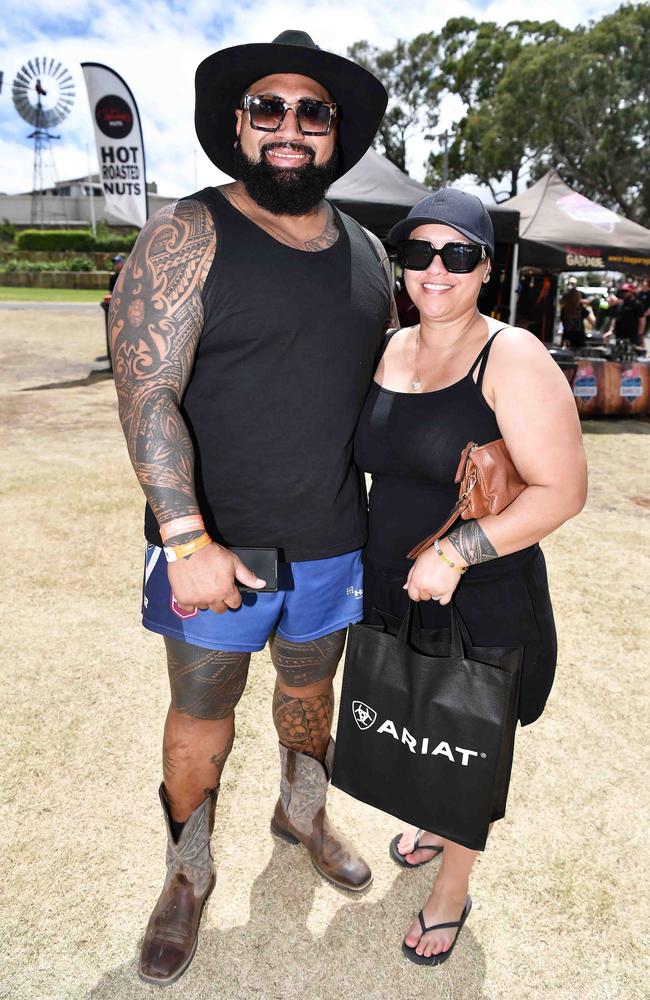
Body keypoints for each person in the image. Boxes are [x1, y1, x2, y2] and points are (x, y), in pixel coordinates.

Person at [109, 30, 393, 986]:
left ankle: (302, 809)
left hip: (331, 542)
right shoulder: (187, 234)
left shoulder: (369, 255)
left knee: (311, 695)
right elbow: (145, 390)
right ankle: (187, 872)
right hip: (215, 549)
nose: (288, 128)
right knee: (202, 710)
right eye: (267, 109)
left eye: (311, 114)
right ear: (237, 126)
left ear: (333, 133)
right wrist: (185, 536)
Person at [354, 188, 588, 967]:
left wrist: (457, 553)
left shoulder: (510, 353)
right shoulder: (390, 347)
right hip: (397, 581)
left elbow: (564, 490)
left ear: (486, 267)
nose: (436, 270)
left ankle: (453, 885)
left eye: (458, 254)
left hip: (480, 593)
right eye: (419, 252)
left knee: (466, 740)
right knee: (419, 721)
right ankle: (432, 822)